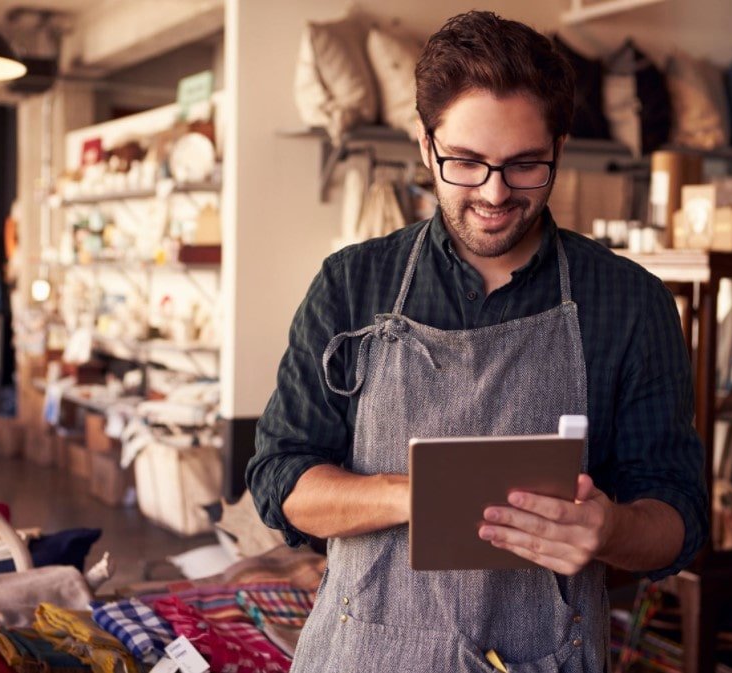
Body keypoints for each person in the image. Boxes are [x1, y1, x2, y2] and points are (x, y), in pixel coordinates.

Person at [248, 10, 708, 673]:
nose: (494, 193)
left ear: (560, 145)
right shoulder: (351, 285)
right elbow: (279, 480)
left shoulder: (629, 302)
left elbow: (678, 518)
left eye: (525, 165)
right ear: (422, 142)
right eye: (464, 162)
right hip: (364, 655)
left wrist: (609, 528)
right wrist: (419, 494)